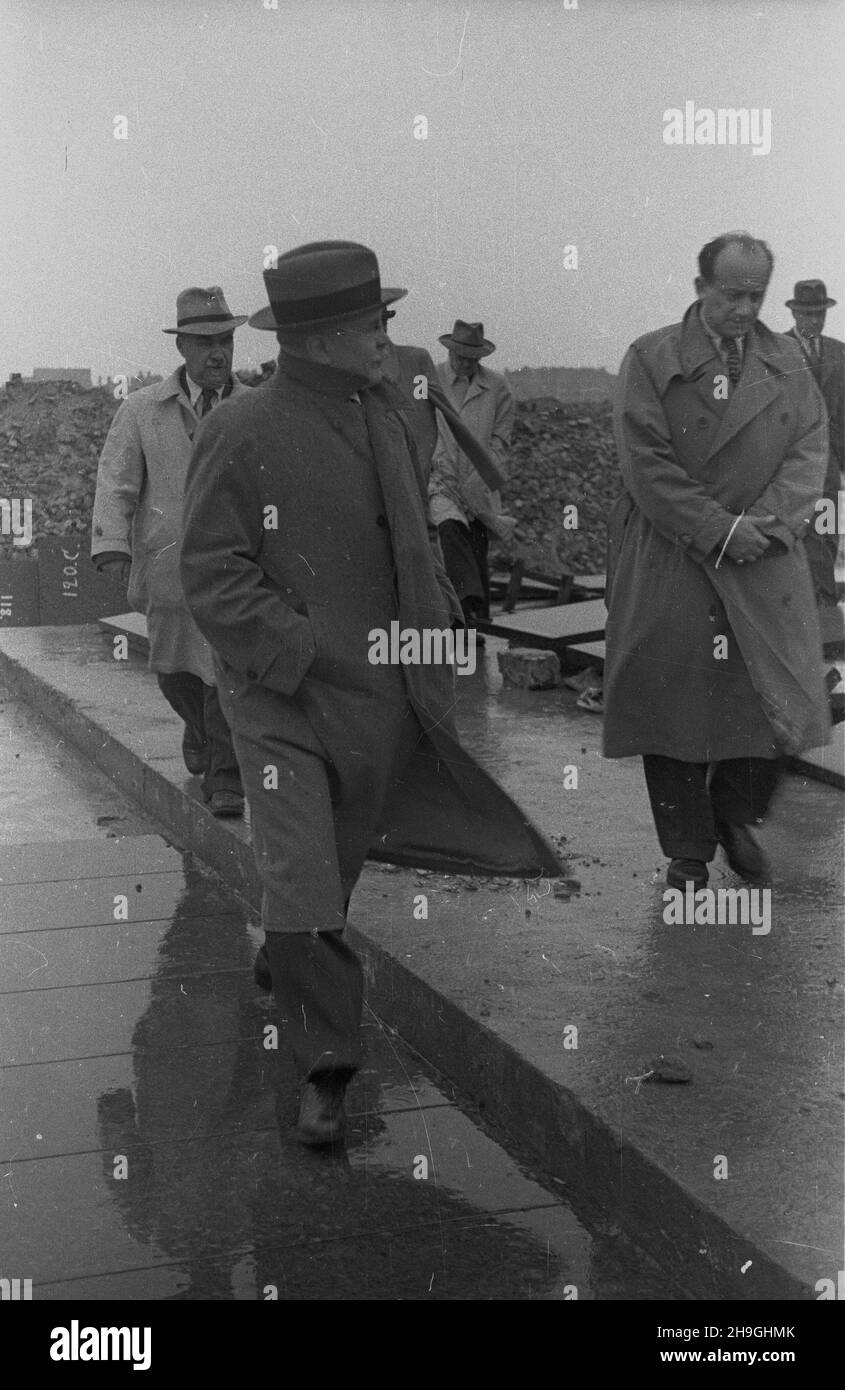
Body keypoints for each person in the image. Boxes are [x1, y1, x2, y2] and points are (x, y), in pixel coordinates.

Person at [179, 242, 562, 1147]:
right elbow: (208, 569)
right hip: (281, 701)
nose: (390, 340)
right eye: (373, 325)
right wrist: (300, 647)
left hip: (378, 699)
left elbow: (413, 544)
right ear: (316, 341)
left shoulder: (386, 414)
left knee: (327, 879)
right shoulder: (239, 429)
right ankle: (326, 1070)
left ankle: (291, 950)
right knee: (303, 874)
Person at [603, 232, 831, 890]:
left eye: (755, 295)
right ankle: (687, 852)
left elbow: (808, 448)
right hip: (675, 552)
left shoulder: (786, 361)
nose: (744, 307)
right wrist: (716, 528)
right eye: (731, 293)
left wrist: (772, 523)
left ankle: (735, 819)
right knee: (667, 701)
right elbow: (644, 463)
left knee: (767, 697)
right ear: (699, 286)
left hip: (763, 551)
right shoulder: (649, 358)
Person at [91, 286, 247, 817]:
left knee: (228, 666)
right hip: (169, 569)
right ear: (181, 347)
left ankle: (227, 780)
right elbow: (116, 482)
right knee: (176, 670)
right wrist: (112, 545)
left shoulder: (252, 409)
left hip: (238, 569)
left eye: (224, 340)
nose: (217, 353)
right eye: (204, 342)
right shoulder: (142, 411)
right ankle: (200, 730)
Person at [428, 321, 516, 630]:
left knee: (476, 546)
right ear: (450, 351)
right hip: (442, 476)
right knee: (451, 531)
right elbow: (422, 425)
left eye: (472, 359)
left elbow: (501, 439)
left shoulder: (497, 387)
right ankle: (467, 610)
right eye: (460, 357)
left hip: (479, 479)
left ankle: (477, 622)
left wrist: (486, 472)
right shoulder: (432, 379)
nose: (465, 363)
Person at [783, 279, 844, 624]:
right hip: (790, 461)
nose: (815, 319)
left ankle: (823, 599)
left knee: (829, 526)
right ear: (795, 312)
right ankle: (808, 600)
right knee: (798, 529)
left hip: (830, 462)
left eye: (820, 313)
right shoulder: (775, 350)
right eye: (808, 313)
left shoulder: (840, 351)